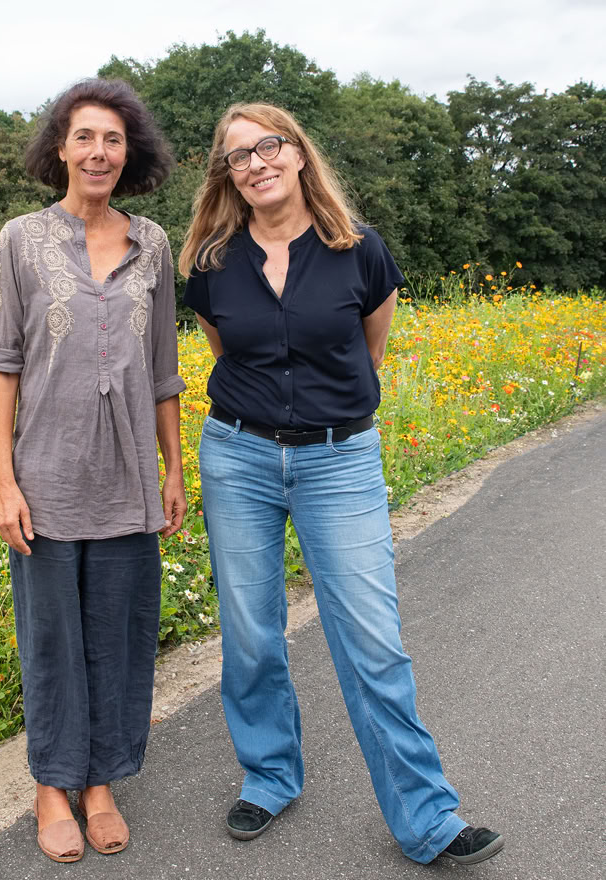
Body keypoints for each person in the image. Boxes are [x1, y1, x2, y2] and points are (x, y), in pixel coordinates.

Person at [180, 102, 504, 866]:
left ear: (298, 154)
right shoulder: (212, 264)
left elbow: (368, 352)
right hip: (238, 457)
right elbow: (229, 353)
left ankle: (428, 818)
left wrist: (322, 416)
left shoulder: (361, 251)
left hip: (339, 460)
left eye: (268, 146)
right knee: (251, 633)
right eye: (237, 156)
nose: (256, 163)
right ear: (228, 176)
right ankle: (269, 776)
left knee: (372, 641)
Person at [0, 78, 186, 864]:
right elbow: (2, 360)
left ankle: (100, 782)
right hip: (46, 476)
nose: (99, 152)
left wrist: (172, 470)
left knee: (120, 636)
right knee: (52, 641)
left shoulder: (153, 244)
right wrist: (5, 480)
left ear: (129, 153)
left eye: (113, 140)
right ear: (61, 149)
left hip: (128, 476)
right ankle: (52, 783)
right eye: (85, 137)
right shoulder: (21, 239)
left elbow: (163, 368)